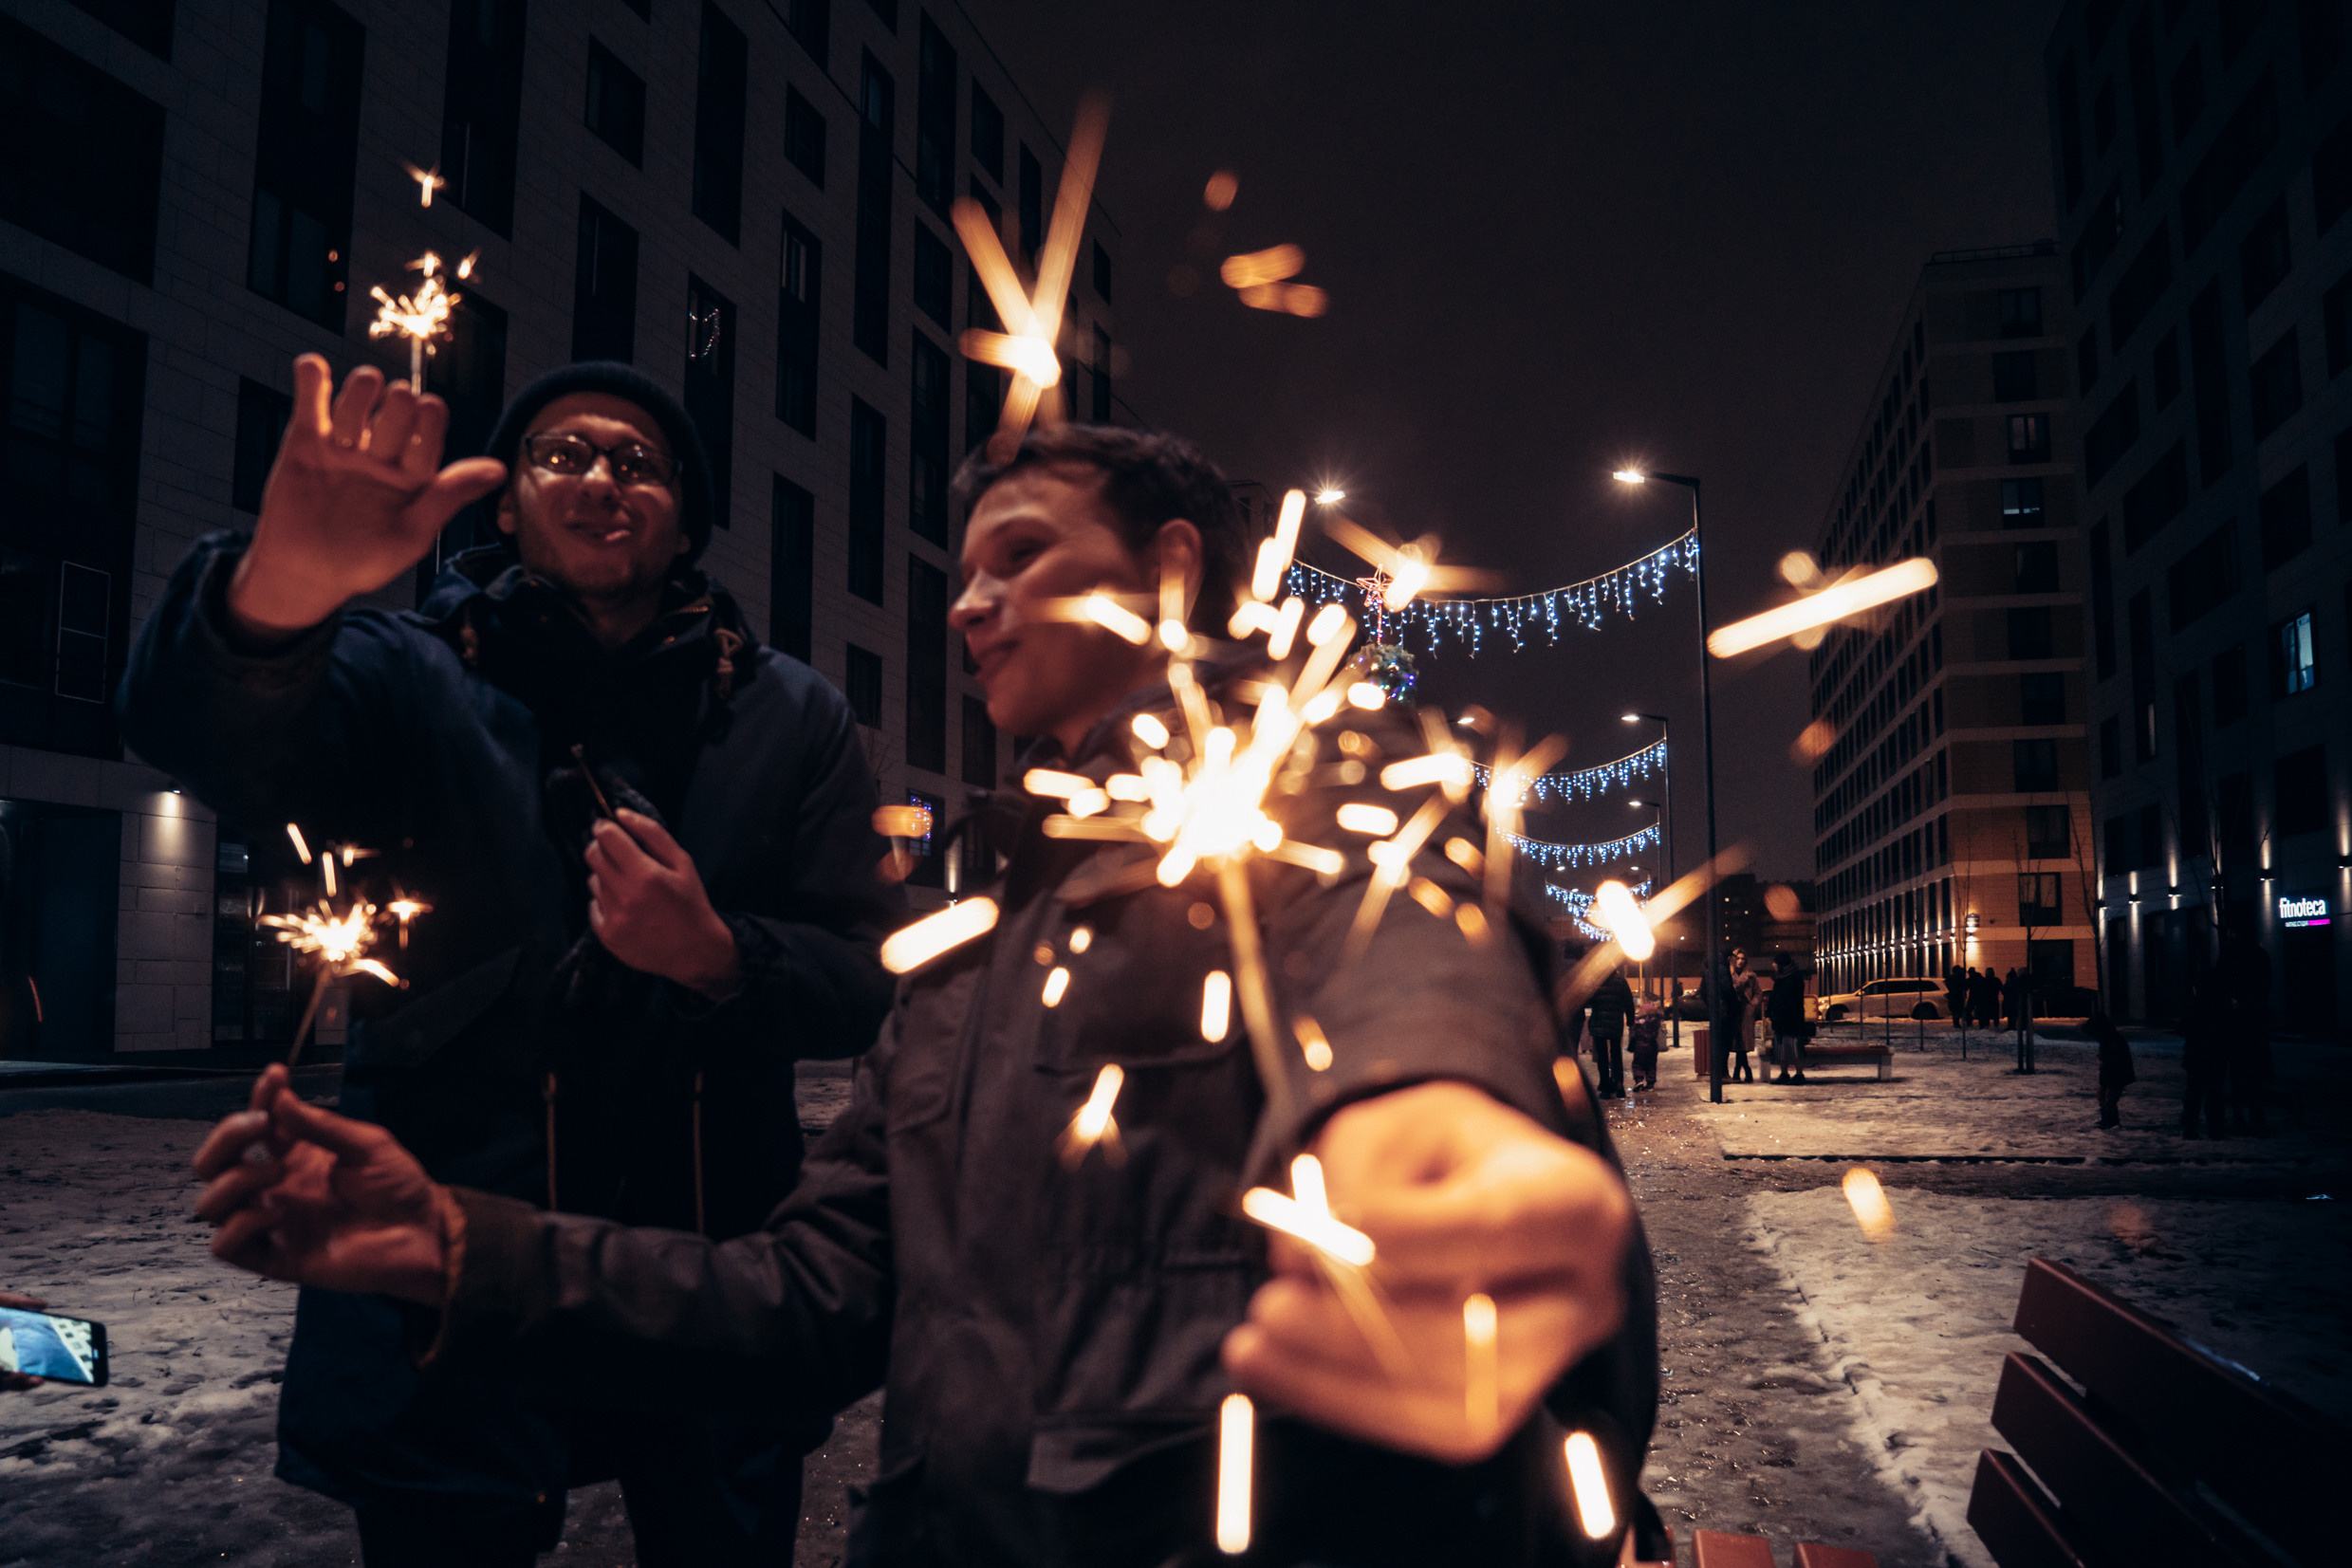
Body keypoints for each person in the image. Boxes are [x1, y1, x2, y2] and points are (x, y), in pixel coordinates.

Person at [192, 420, 1662, 1568]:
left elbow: (1406, 962)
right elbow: (805, 1299)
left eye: (1019, 556)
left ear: (1163, 569)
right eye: (963, 570)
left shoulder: (1322, 795)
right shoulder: (967, 948)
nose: (969, 603)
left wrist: (1426, 1130)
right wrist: (458, 1247)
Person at [120, 358, 902, 1567]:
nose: (600, 479)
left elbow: (869, 976)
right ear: (506, 501)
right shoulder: (409, 669)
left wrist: (717, 957)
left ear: (685, 515)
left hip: (707, 1277)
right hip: (444, 1263)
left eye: (638, 463)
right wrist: (274, 599)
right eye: (563, 455)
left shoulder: (791, 715)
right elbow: (201, 735)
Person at [2178, 972, 2230, 1139]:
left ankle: (2190, 1127)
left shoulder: (2194, 1006)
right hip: (2216, 1057)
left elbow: (2183, 1028)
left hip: (2196, 1056)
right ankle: (2215, 1129)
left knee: (2194, 1094)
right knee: (2214, 1095)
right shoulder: (2221, 1007)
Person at [1585, 965, 1634, 1099]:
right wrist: (1630, 1020)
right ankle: (1619, 1086)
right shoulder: (1620, 980)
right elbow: (1629, 1002)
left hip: (1598, 1023)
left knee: (1602, 1057)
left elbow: (1589, 1000)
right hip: (1615, 1023)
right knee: (1616, 1054)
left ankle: (1605, 1088)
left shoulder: (1596, 980)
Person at [1767, 954, 1807, 1085]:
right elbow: (1775, 998)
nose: (1773, 965)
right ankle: (1784, 1073)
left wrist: (1777, 1013)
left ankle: (1799, 1074)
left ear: (1781, 964)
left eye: (1775, 963)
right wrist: (1771, 1012)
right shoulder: (1781, 978)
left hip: (1792, 1020)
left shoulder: (1793, 979)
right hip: (1781, 1020)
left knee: (1795, 1047)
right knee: (1782, 1048)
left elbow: (1788, 1001)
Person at [2088, 1012, 2133, 1129]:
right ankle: (2108, 1120)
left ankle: (2111, 1122)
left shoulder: (2111, 1038)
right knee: (2103, 1096)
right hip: (2109, 1073)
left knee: (2110, 1098)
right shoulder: (2107, 1038)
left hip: (2117, 1073)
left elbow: (2115, 1060)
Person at [1627, 1000, 1661, 1093]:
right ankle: (1650, 1084)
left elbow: (1633, 1030)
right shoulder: (1656, 1021)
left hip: (1640, 1045)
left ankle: (1639, 1080)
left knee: (1638, 1063)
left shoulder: (1639, 1021)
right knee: (1651, 1064)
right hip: (1653, 1045)